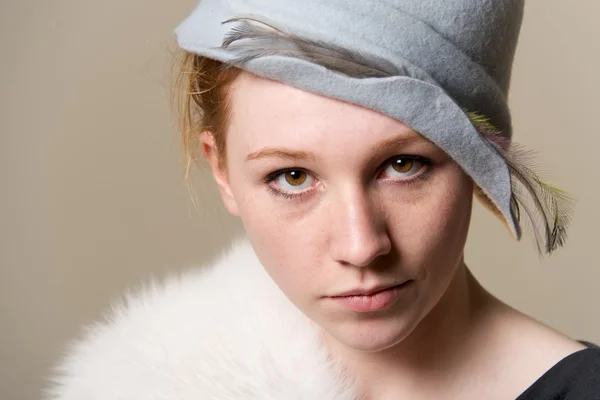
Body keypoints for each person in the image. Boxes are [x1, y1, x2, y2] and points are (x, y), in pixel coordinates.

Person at [46, 0, 600, 399]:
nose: (361, 247)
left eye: (403, 165)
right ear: (221, 170)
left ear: (475, 165)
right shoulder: (149, 383)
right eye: (291, 176)